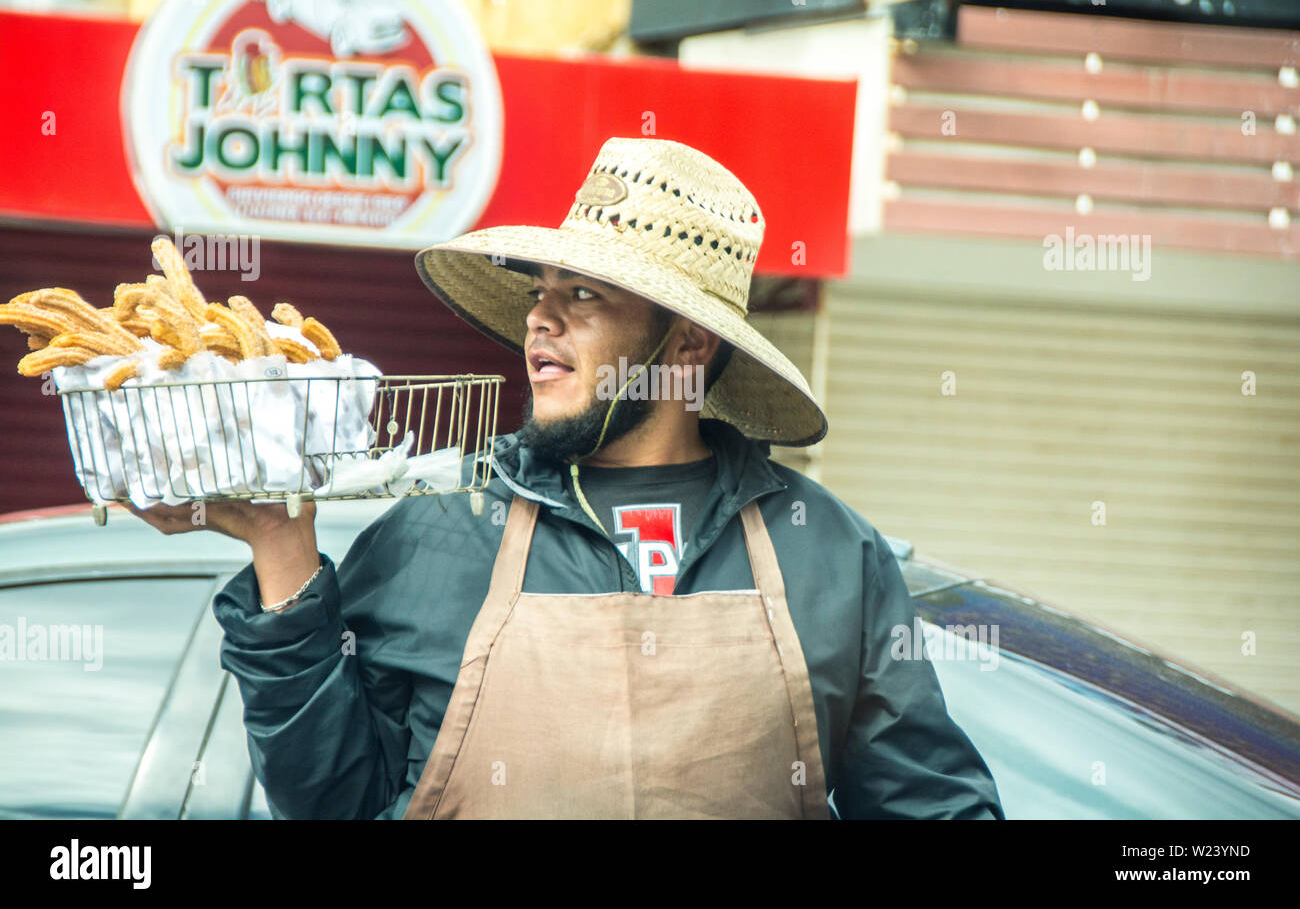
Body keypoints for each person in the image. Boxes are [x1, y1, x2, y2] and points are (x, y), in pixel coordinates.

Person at [131, 136, 1005, 820]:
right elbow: (329, 805)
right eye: (542, 289)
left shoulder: (829, 557)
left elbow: (933, 808)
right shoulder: (436, 534)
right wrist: (283, 548)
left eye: (584, 296)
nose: (539, 318)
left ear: (687, 348)